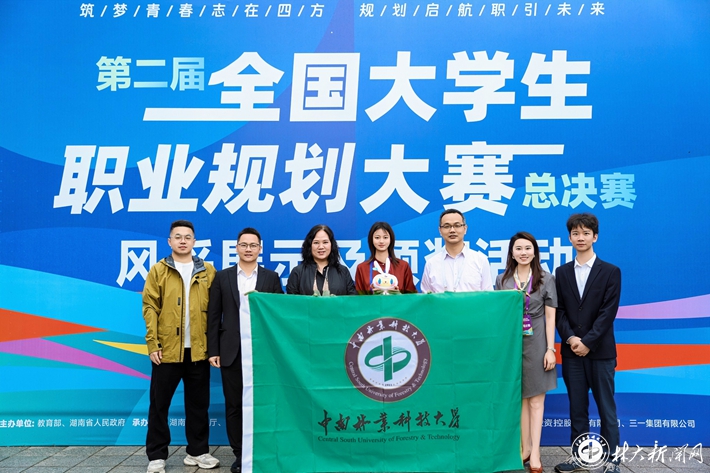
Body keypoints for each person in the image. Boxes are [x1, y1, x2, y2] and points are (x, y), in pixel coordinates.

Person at [142, 220, 219, 473]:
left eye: (187, 237)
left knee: (198, 405)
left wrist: (213, 347)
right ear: (169, 241)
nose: (183, 241)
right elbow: (150, 307)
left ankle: (197, 452)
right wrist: (153, 343)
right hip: (167, 350)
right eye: (178, 237)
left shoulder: (208, 270)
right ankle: (157, 456)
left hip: (198, 350)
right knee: (159, 405)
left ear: (194, 241)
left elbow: (216, 310)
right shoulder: (159, 270)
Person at [207, 228, 283, 473]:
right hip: (231, 351)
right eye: (244, 245)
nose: (248, 249)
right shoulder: (223, 277)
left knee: (263, 403)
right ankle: (240, 455)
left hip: (262, 352)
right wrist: (213, 350)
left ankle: (262, 451)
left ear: (260, 248)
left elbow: (279, 313)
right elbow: (213, 316)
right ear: (236, 248)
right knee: (234, 405)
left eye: (253, 245)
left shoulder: (271, 278)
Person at [554, 213, 621, 473]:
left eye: (585, 233)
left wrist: (588, 342)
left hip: (601, 352)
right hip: (572, 352)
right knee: (577, 408)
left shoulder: (611, 271)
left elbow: (608, 312)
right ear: (569, 238)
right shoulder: (561, 272)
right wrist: (571, 338)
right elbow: (559, 311)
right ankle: (579, 457)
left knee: (606, 408)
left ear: (595, 237)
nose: (580, 238)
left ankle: (612, 459)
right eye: (575, 233)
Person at [495, 232, 557, 473]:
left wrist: (550, 349)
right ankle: (525, 448)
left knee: (536, 400)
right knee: (520, 399)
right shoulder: (502, 279)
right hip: (512, 344)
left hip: (538, 341)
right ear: (511, 252)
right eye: (518, 248)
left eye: (528, 248)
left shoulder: (546, 279)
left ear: (535, 252)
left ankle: (536, 453)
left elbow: (551, 317)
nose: (523, 252)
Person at [420, 209, 493, 293]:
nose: (452, 230)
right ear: (440, 230)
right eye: (447, 226)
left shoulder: (480, 260)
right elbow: (427, 297)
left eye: (457, 225)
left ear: (465, 229)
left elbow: (488, 295)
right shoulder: (431, 263)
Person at [286, 224, 357, 296]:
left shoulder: (343, 271)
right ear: (309, 246)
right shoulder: (298, 272)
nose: (321, 247)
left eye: (325, 242)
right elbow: (290, 301)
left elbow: (352, 299)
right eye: (316, 243)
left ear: (332, 245)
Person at [355, 221, 417, 294]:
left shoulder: (403, 266)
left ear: (391, 239)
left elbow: (412, 297)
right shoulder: (362, 268)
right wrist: (372, 297)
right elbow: (358, 298)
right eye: (377, 237)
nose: (381, 241)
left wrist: (399, 295)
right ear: (371, 240)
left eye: (385, 237)